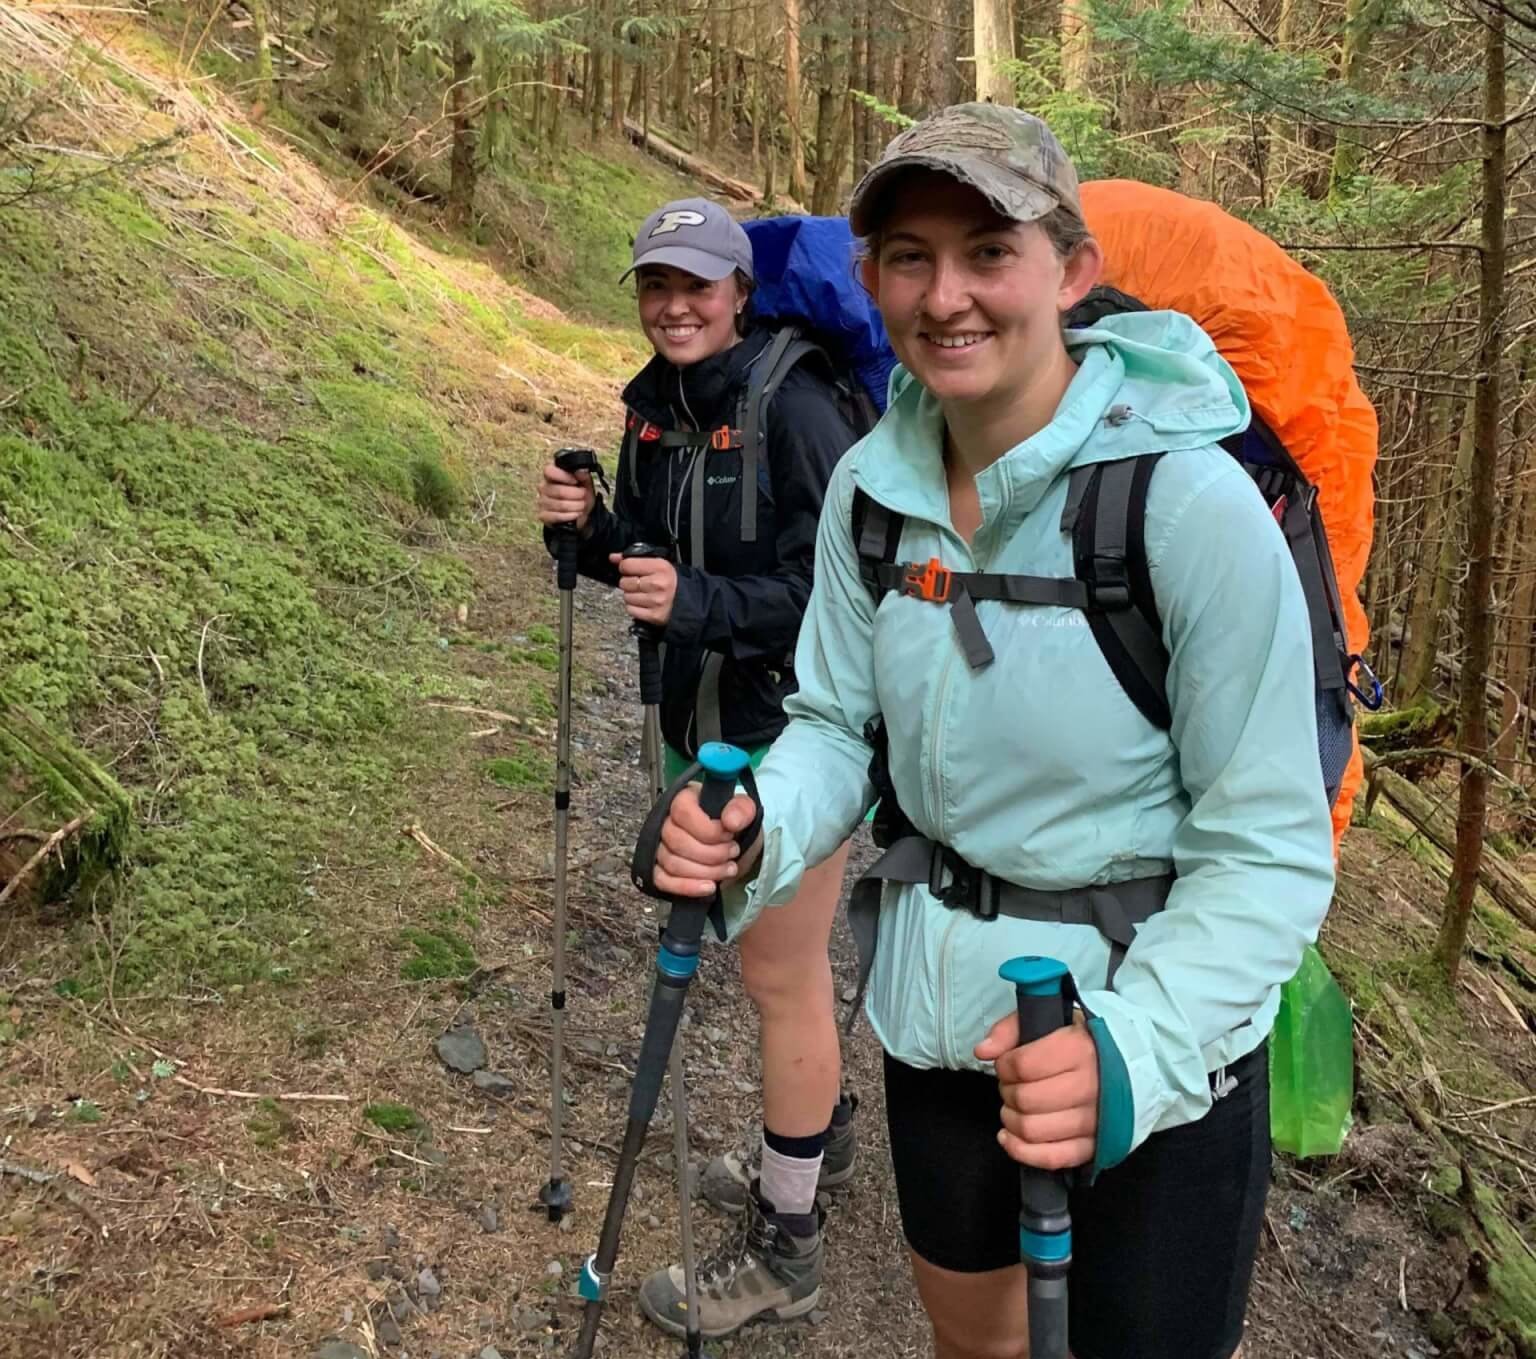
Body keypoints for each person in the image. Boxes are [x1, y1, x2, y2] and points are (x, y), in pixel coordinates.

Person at [643, 109, 1337, 1359]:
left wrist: (1132, 1055)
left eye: (988, 251)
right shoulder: (873, 487)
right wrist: (760, 819)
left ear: (1070, 269)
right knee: (974, 1342)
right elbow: (833, 723)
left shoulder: (1187, 504)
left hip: (1161, 1045)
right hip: (940, 1013)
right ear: (869, 281)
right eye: (909, 256)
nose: (946, 295)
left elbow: (1270, 850)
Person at [535, 197, 863, 1337]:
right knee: (778, 968)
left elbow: (848, 598)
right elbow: (652, 562)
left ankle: (789, 1246)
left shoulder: (802, 405)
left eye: (697, 285)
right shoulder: (657, 409)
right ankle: (820, 1140)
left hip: (791, 729)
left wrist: (704, 603)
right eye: (655, 286)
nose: (675, 305)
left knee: (780, 976)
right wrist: (588, 532)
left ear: (739, 292)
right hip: (701, 715)